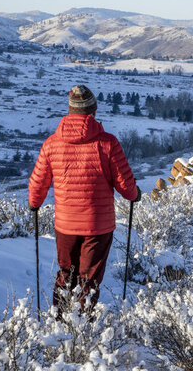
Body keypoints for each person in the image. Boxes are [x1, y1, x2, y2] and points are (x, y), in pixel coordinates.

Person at [28, 84, 140, 314]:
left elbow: (38, 182)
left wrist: (34, 203)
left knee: (65, 274)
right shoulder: (108, 143)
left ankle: (58, 323)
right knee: (89, 280)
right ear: (93, 111)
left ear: (70, 110)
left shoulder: (51, 143)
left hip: (66, 225)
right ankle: (83, 329)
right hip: (98, 226)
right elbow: (125, 185)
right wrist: (135, 195)